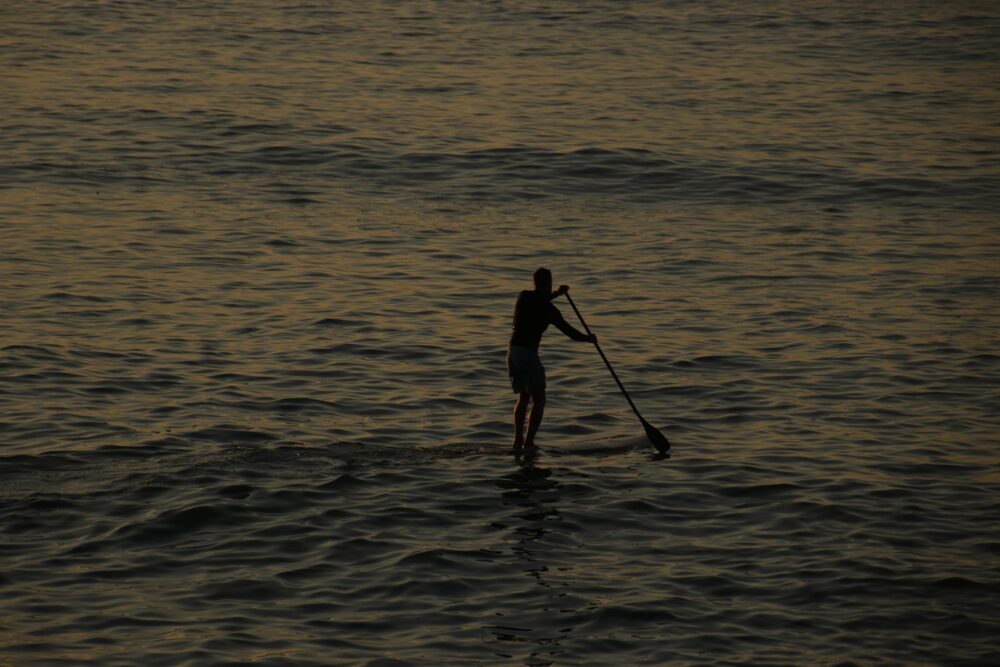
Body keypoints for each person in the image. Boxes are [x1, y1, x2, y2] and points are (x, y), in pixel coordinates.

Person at [507, 267, 596, 451]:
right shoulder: (549, 310)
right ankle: (529, 443)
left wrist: (557, 293)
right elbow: (569, 331)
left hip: (512, 353)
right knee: (539, 399)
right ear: (548, 283)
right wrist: (588, 339)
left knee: (524, 396)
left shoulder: (523, 297)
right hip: (528, 355)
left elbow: (539, 299)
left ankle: (517, 442)